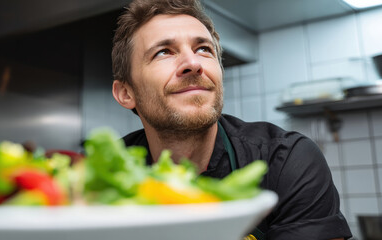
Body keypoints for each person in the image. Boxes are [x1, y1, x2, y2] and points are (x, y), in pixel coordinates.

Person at [110, 0, 352, 239]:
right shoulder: (107, 174)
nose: (193, 64)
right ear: (126, 93)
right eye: (164, 52)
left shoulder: (286, 159)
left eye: (203, 49)